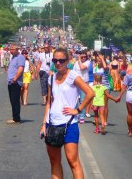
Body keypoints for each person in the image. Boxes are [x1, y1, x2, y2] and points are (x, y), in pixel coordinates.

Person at [40, 48, 95, 179]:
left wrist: (78, 110)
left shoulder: (73, 76)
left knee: (72, 161)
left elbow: (90, 93)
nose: (58, 63)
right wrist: (44, 124)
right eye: (55, 60)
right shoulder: (51, 78)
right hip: (52, 124)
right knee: (54, 161)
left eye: (61, 60)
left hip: (69, 124)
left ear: (68, 61)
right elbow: (49, 102)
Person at [6, 45, 25, 124]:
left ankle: (16, 118)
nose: (11, 51)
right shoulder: (13, 57)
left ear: (17, 50)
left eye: (13, 49)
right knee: (12, 100)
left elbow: (20, 69)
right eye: (10, 49)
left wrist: (15, 78)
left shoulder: (20, 57)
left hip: (15, 82)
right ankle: (15, 117)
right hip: (10, 82)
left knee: (15, 100)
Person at [73, 51, 90, 124]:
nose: (83, 58)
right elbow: (73, 72)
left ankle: (82, 116)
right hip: (76, 83)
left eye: (84, 57)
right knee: (75, 99)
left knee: (83, 100)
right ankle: (77, 114)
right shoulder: (76, 63)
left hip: (84, 83)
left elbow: (82, 67)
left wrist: (79, 60)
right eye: (81, 57)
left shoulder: (88, 62)